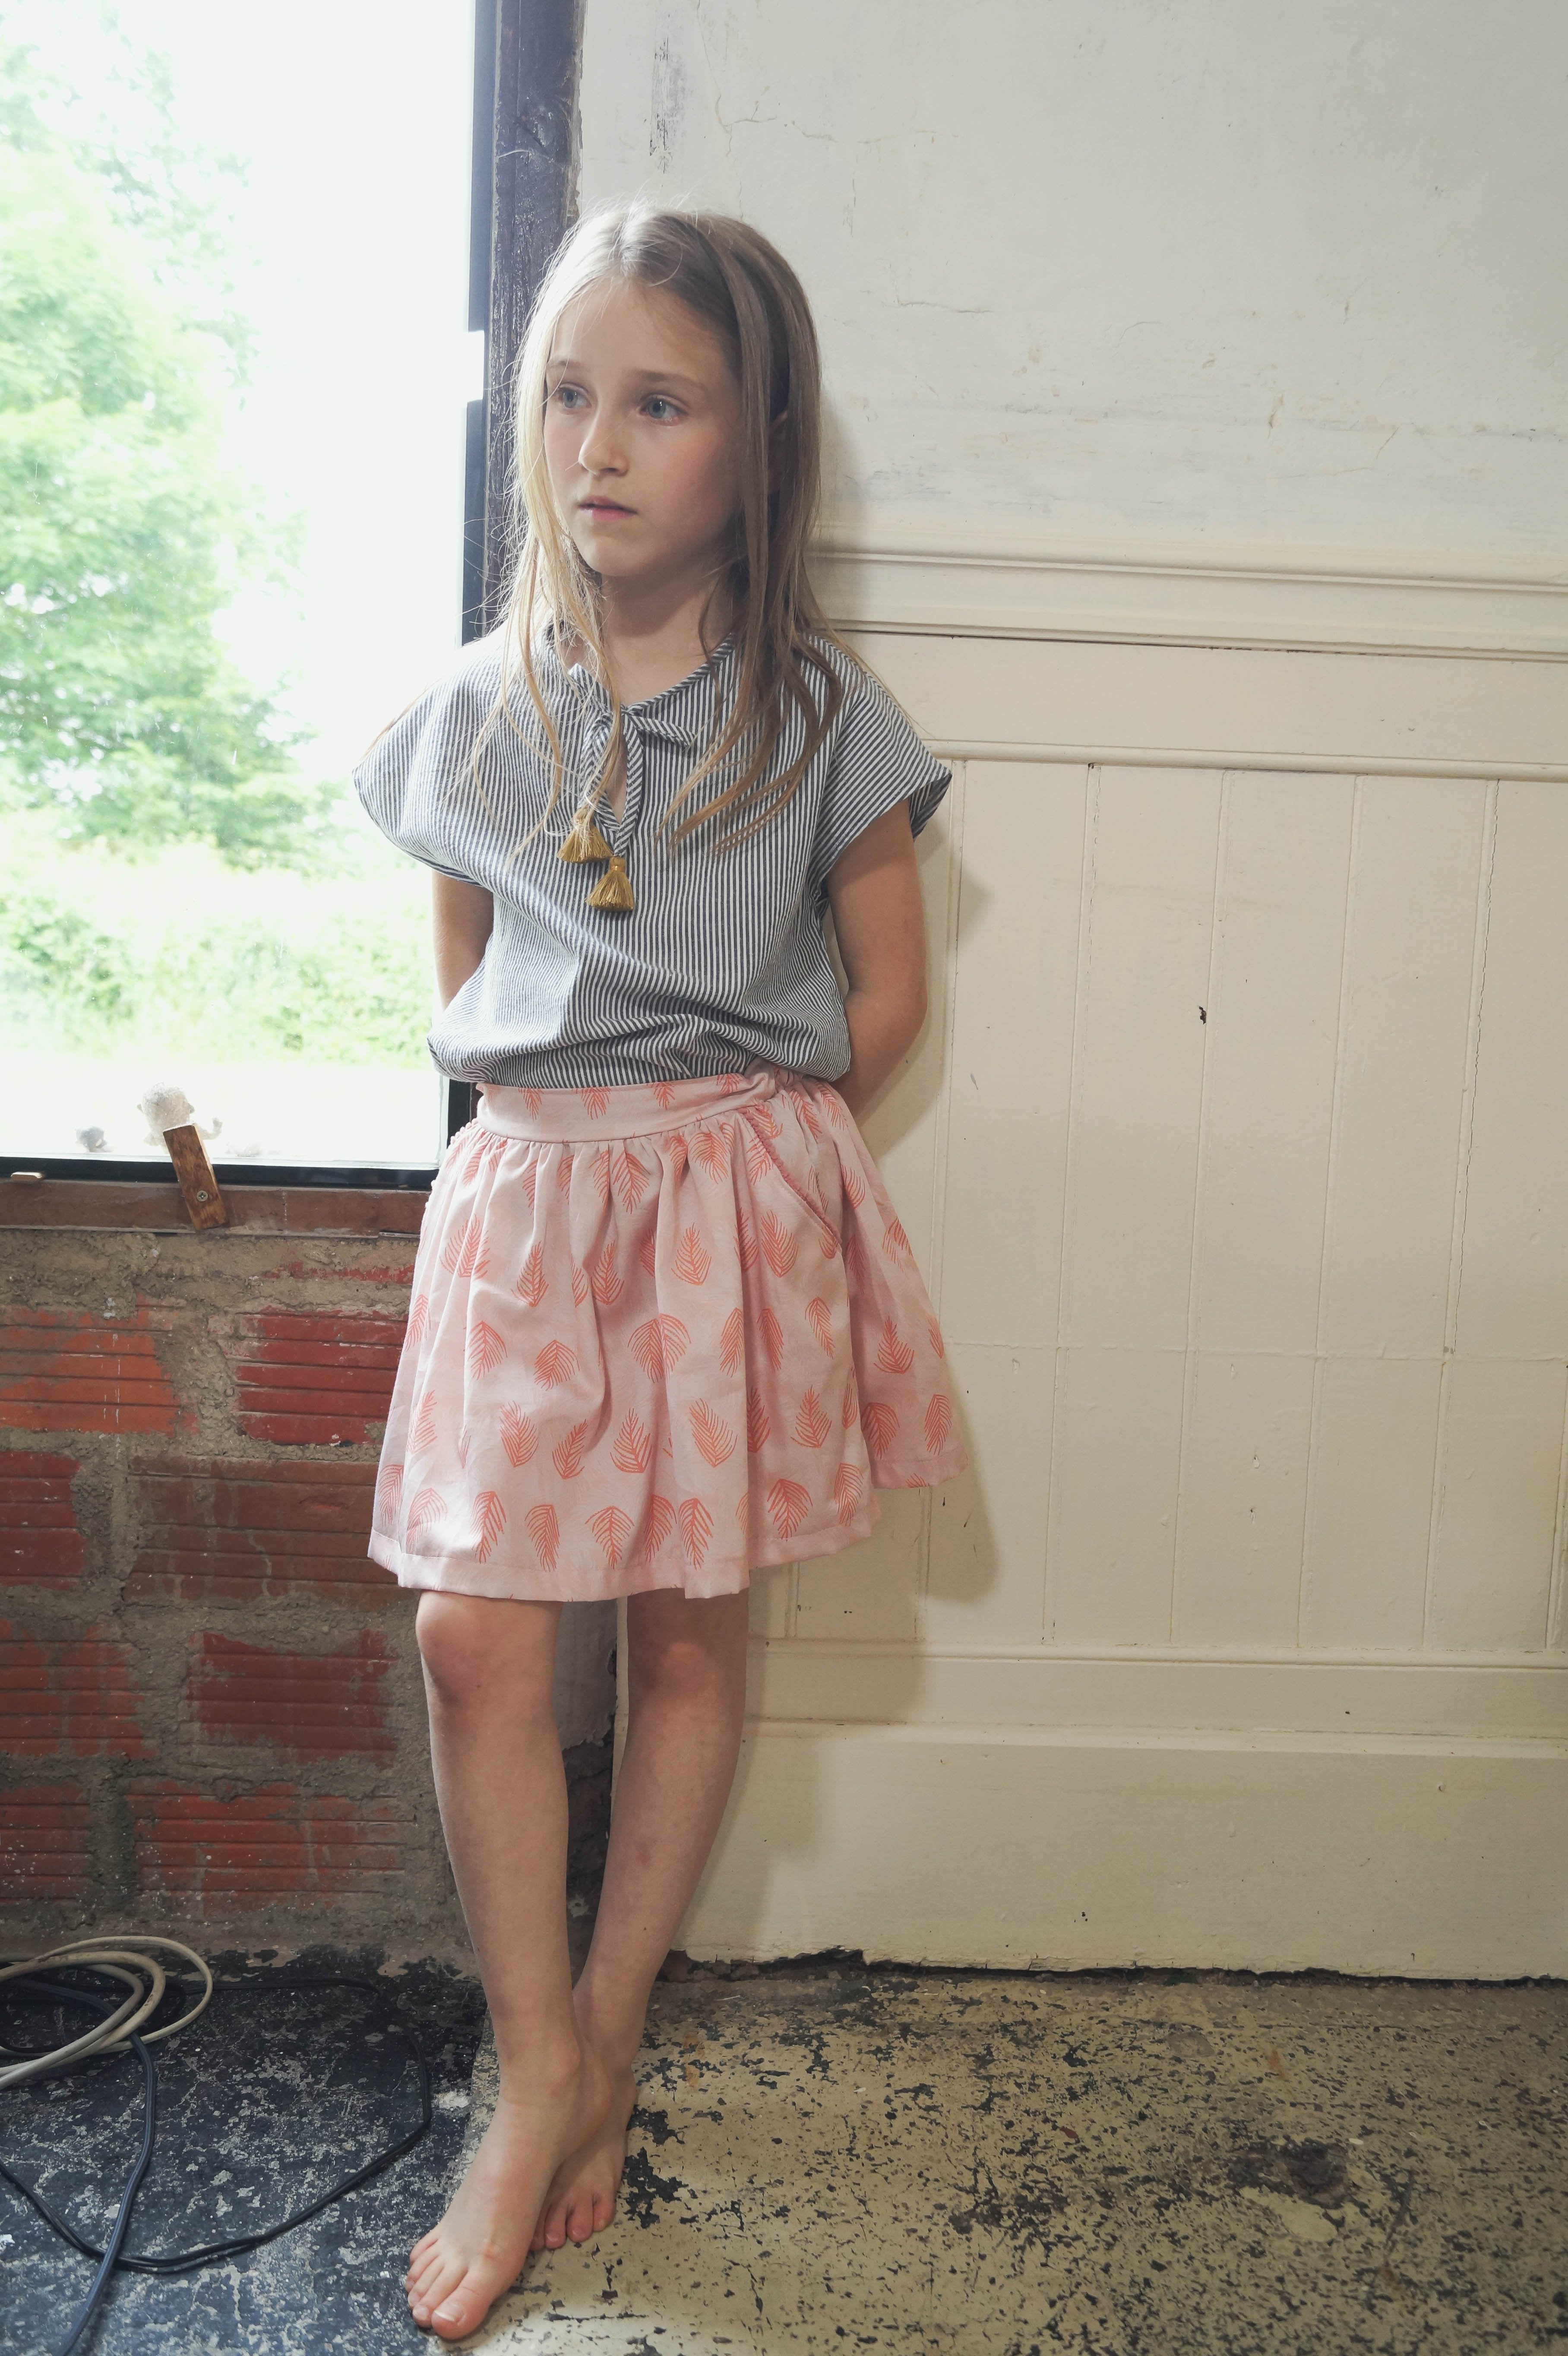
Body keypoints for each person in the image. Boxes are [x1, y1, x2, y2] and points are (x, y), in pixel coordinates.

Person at [352, 200, 967, 2343]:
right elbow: (468, 987)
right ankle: (532, 2062)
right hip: (532, 1204)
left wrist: (747, 1161)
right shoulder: (471, 711)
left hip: (726, 1205)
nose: (596, 444)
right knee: (475, 1634)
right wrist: (574, 1136)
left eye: (659, 402)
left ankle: (605, 2031)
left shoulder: (820, 718)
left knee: (687, 1623)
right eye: (564, 394)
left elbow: (884, 992)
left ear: (756, 442)